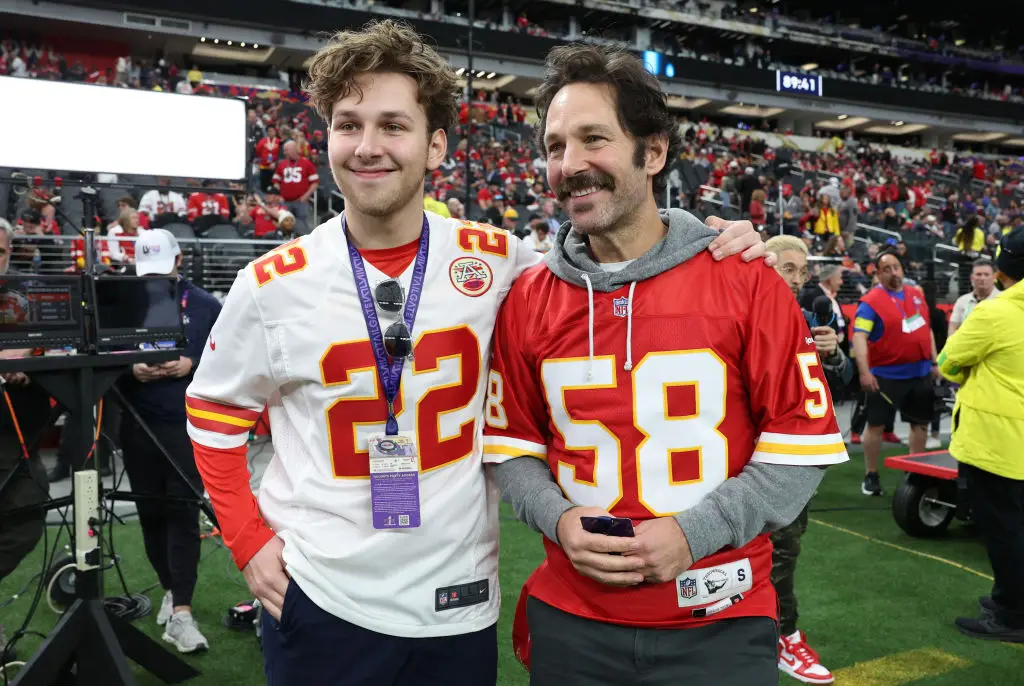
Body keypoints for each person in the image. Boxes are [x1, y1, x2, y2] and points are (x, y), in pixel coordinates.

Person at [183, 20, 769, 686]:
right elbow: (212, 419)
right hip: (323, 597)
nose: (367, 147)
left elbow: (616, 257)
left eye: (392, 126)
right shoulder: (269, 285)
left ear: (436, 146)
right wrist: (248, 543)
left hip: (457, 602)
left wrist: (711, 238)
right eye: (348, 125)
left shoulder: (501, 262)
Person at [481, 44, 848, 686]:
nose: (569, 165)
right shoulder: (527, 299)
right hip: (574, 618)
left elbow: (799, 450)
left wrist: (696, 531)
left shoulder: (748, 281)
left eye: (594, 139)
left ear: (653, 152)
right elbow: (512, 447)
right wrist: (559, 519)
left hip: (720, 616)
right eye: (555, 145)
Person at [118, 230, 221, 653]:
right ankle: (168, 587)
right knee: (150, 514)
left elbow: (227, 358)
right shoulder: (123, 301)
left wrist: (192, 362)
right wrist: (131, 368)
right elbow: (102, 360)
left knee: (181, 513)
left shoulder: (205, 306)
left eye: (162, 269)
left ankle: (182, 610)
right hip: (138, 424)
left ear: (179, 261)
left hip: (184, 426)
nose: (155, 278)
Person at [763, 235, 851, 684]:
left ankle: (779, 633)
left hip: (792, 454)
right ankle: (779, 633)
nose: (797, 280)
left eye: (802, 271)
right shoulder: (746, 308)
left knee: (784, 548)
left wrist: (834, 358)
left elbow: (844, 381)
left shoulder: (807, 317)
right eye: (788, 269)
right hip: (750, 454)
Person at [938, 227, 1024, 642]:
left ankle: (1012, 615)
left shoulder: (995, 312)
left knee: (1004, 531)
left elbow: (949, 363)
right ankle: (1010, 595)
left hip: (997, 444)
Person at [852, 252, 940, 496]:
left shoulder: (916, 295)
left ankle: (916, 471)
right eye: (887, 269)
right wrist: (864, 372)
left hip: (920, 373)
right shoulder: (870, 302)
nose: (894, 272)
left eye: (897, 267)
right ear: (878, 274)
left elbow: (926, 329)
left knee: (920, 424)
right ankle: (870, 474)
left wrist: (934, 361)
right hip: (885, 376)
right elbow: (859, 337)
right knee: (876, 425)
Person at [949, 258, 997, 336]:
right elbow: (953, 328)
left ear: (994, 277)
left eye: (986, 274)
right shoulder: (962, 301)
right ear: (972, 277)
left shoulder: (1003, 299)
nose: (982, 278)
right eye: (978, 274)